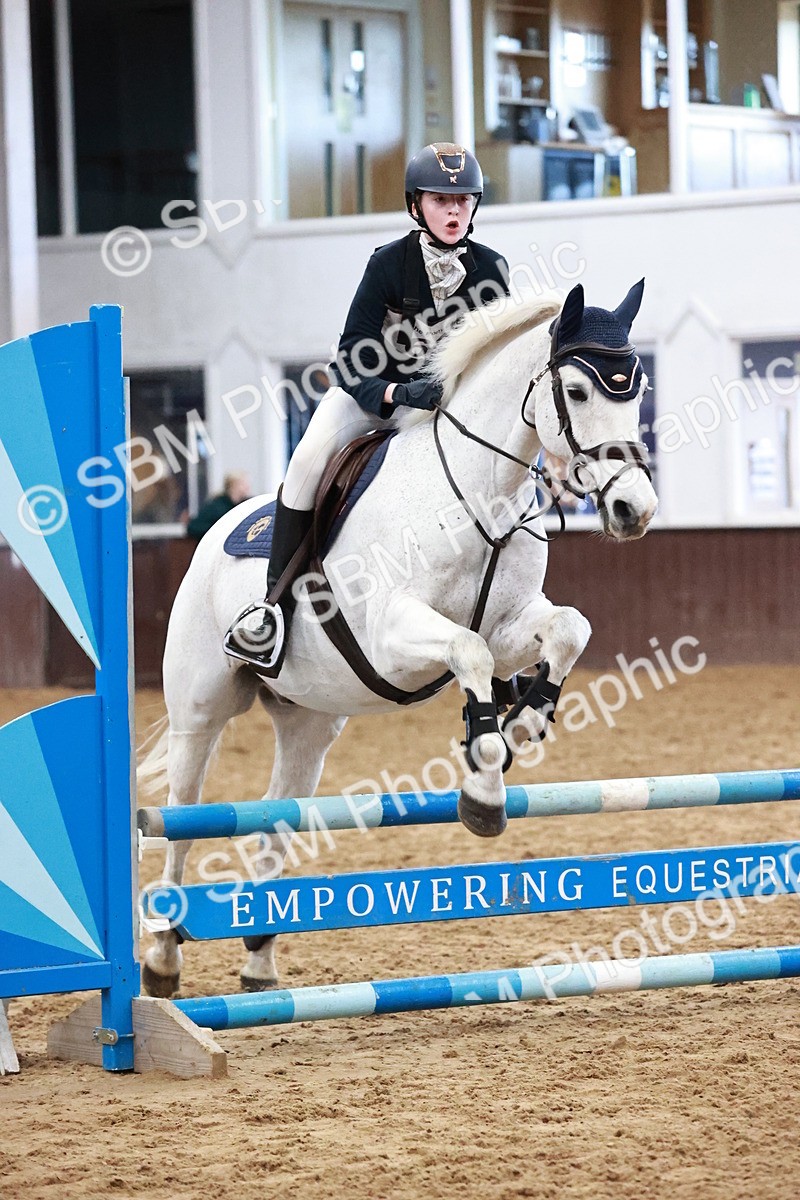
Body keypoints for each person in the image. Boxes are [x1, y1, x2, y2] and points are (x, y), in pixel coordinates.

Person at [224, 142, 510, 671]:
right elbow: (352, 356)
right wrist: (397, 394)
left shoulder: (492, 270)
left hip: (446, 412)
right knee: (308, 461)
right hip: (374, 400)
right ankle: (270, 610)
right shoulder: (388, 265)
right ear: (415, 206)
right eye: (440, 200)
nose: (453, 211)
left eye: (464, 201)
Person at [187, 472, 251, 541]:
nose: (247, 487)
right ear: (233, 485)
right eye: (243, 484)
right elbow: (193, 527)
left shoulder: (245, 505)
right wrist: (217, 532)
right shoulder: (216, 507)